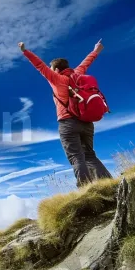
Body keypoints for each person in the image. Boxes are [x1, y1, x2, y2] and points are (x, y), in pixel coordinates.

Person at [18, 40, 112, 187]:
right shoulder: (77, 75)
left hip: (68, 123)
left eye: (51, 67)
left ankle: (85, 189)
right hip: (87, 123)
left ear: (55, 69)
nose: (49, 69)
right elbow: (86, 63)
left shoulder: (57, 79)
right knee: (89, 155)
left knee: (76, 157)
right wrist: (96, 51)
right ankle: (108, 184)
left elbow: (40, 66)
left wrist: (25, 51)